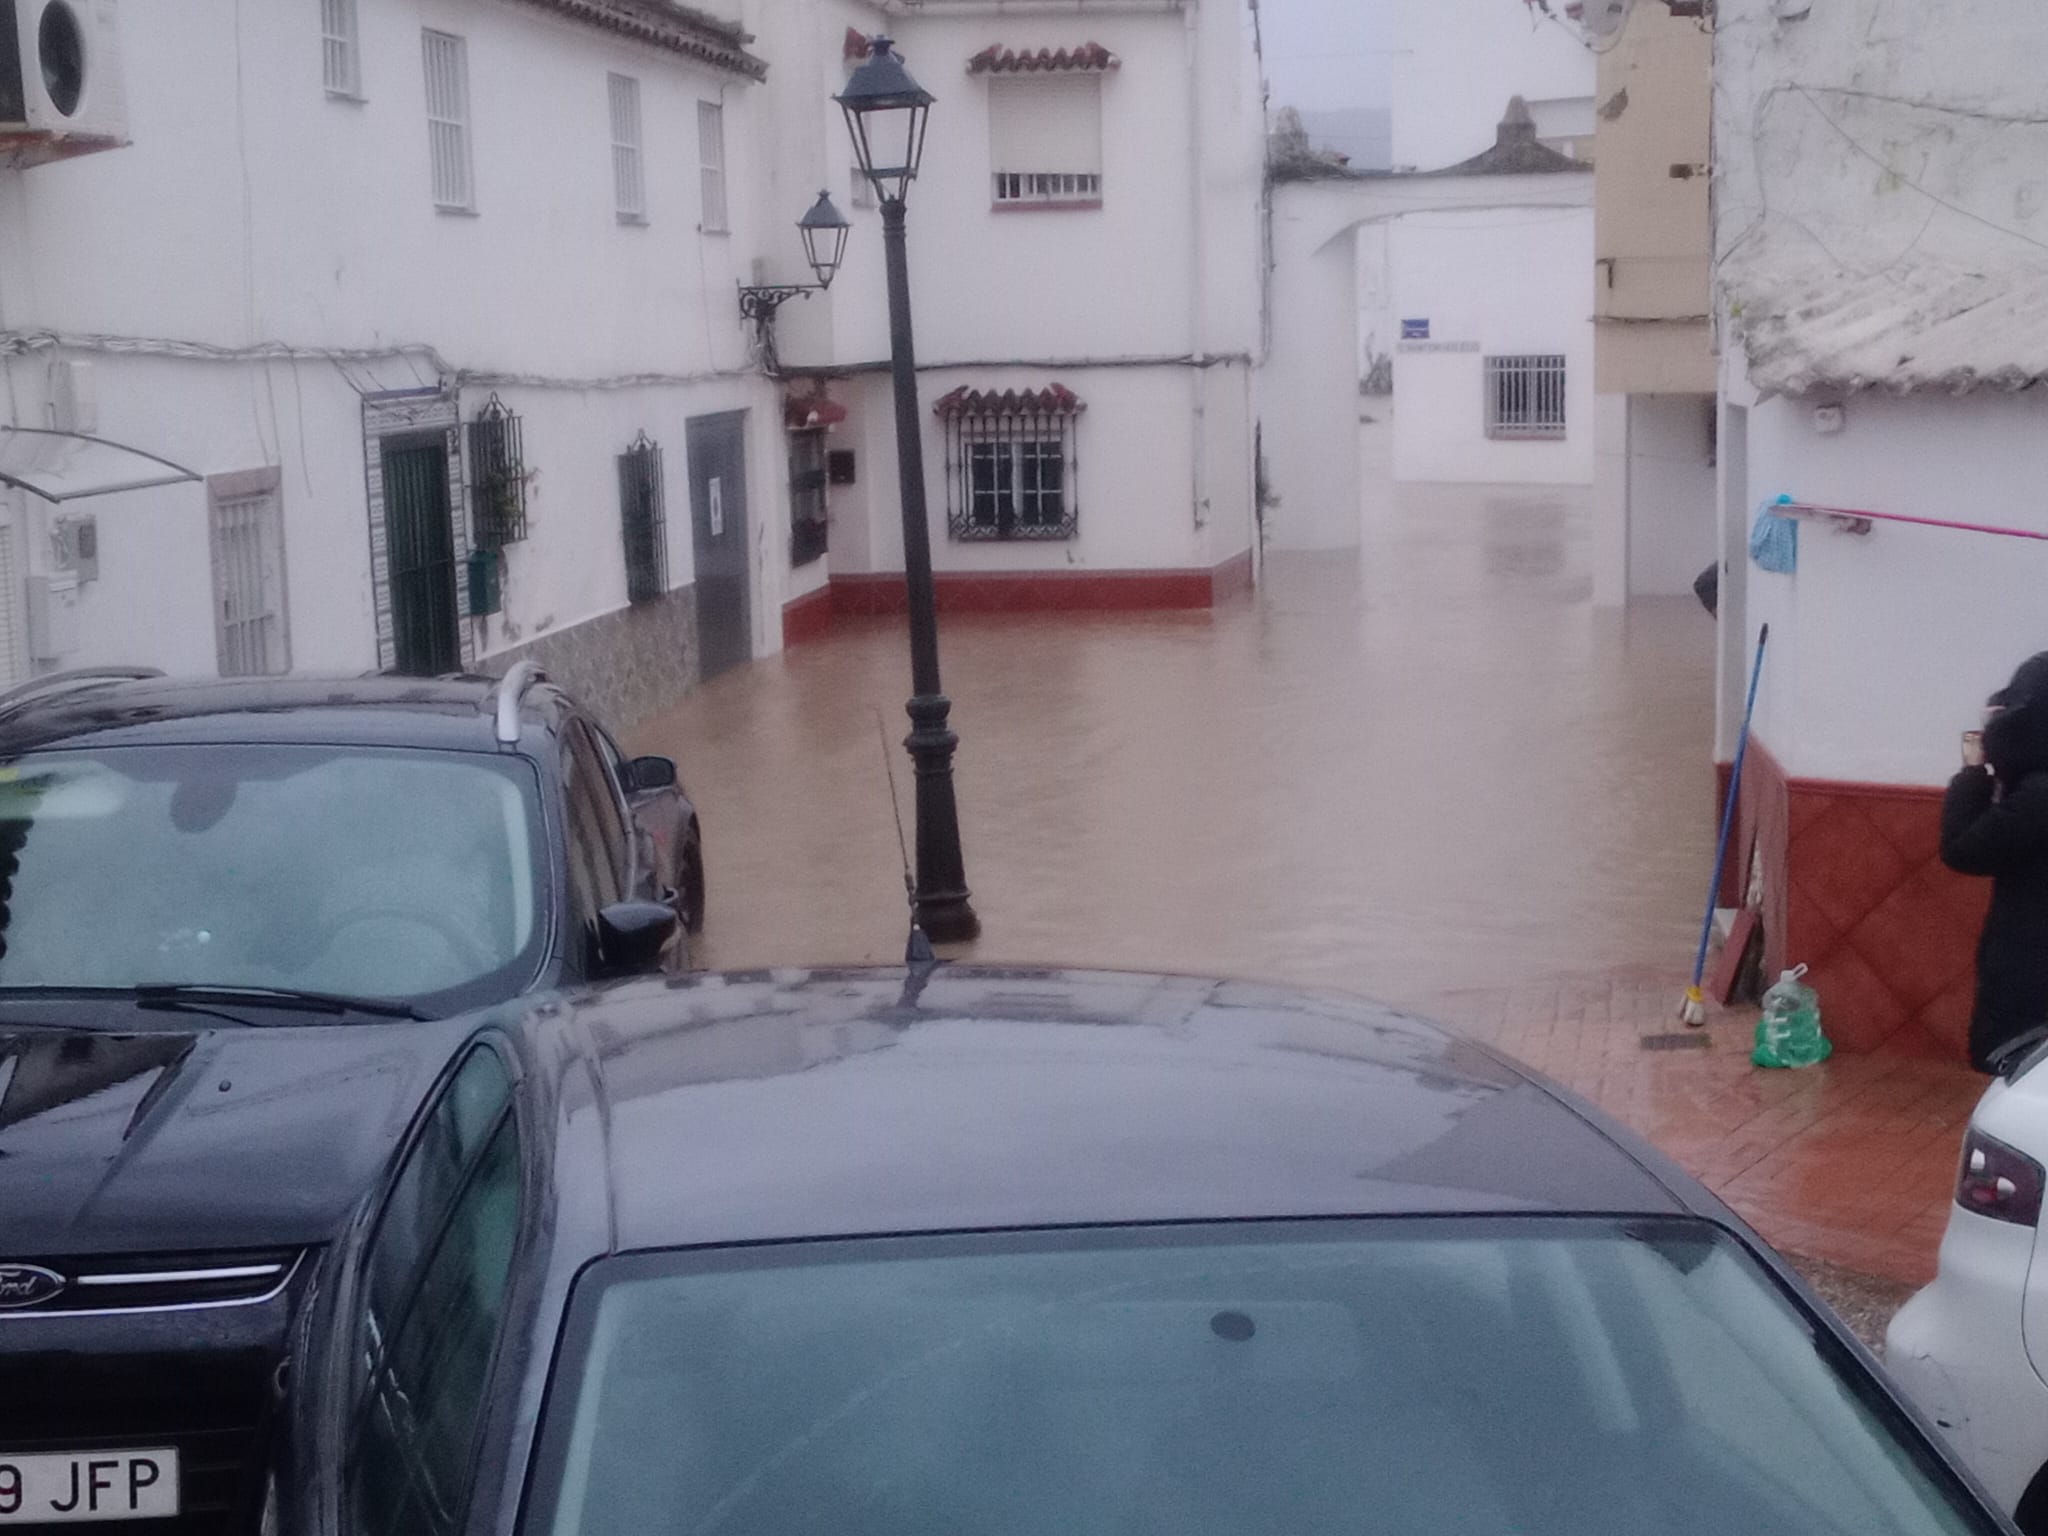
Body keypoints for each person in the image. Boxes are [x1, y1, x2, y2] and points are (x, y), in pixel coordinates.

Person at [1942, 651, 2048, 1073]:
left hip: (2031, 963)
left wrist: (1973, 774)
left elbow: (1964, 850)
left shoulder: (2039, 796)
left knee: (2021, 1074)